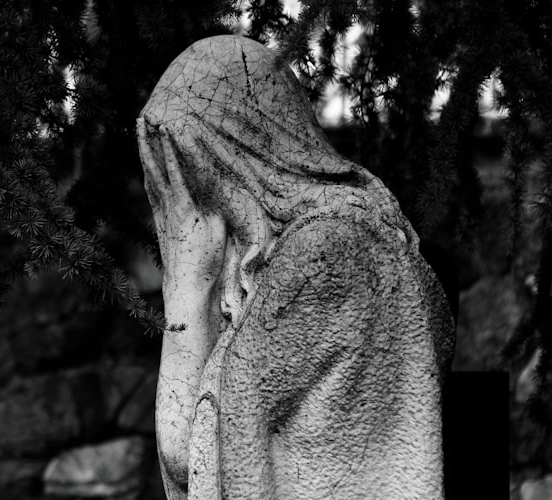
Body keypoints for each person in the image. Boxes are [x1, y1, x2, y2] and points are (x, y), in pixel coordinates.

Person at [137, 35, 455, 499]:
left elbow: (188, 451)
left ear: (238, 155)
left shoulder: (331, 253)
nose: (177, 207)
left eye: (183, 174)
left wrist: (188, 279)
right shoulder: (303, 255)